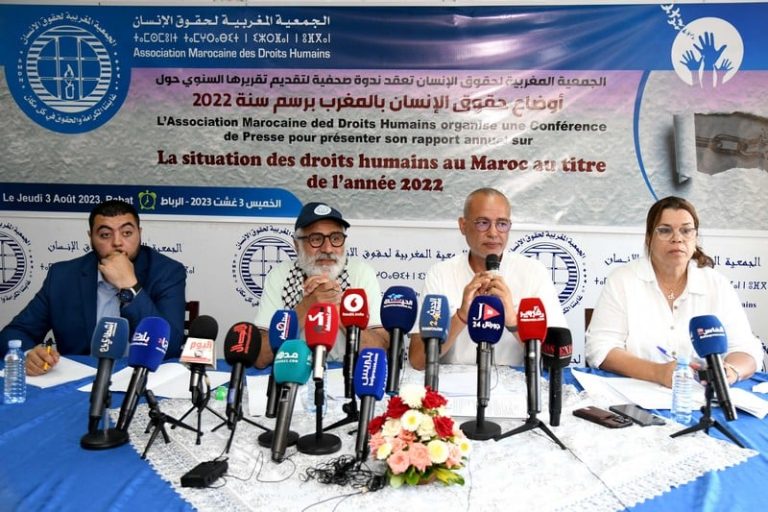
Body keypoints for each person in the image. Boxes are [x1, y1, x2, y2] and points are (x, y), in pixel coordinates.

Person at [585, 196, 761, 387]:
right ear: (649, 238)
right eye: (665, 230)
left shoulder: (717, 284)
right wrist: (657, 372)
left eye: (686, 230)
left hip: (701, 395)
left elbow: (746, 349)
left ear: (695, 237)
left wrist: (731, 371)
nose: (677, 238)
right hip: (635, 394)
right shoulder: (622, 280)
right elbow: (601, 347)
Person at [0, 200, 187, 375]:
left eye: (127, 233)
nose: (117, 243)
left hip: (144, 378)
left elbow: (170, 348)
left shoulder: (167, 272)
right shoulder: (63, 277)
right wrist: (28, 355)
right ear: (91, 237)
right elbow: (14, 333)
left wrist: (130, 286)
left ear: (139, 233)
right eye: (105, 235)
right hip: (79, 380)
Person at [408, 187, 567, 368]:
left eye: (502, 224)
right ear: (463, 225)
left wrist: (513, 321)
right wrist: (461, 316)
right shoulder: (440, 273)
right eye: (483, 223)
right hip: (452, 381)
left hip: (514, 381)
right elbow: (418, 360)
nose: (493, 233)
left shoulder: (533, 272)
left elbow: (555, 358)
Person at [254, 201, 388, 367]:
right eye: (316, 239)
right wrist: (307, 306)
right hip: (293, 370)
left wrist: (336, 309)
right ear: (297, 245)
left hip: (346, 373)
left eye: (336, 238)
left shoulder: (361, 273)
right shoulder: (279, 276)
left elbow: (380, 349)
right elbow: (260, 357)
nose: (328, 249)